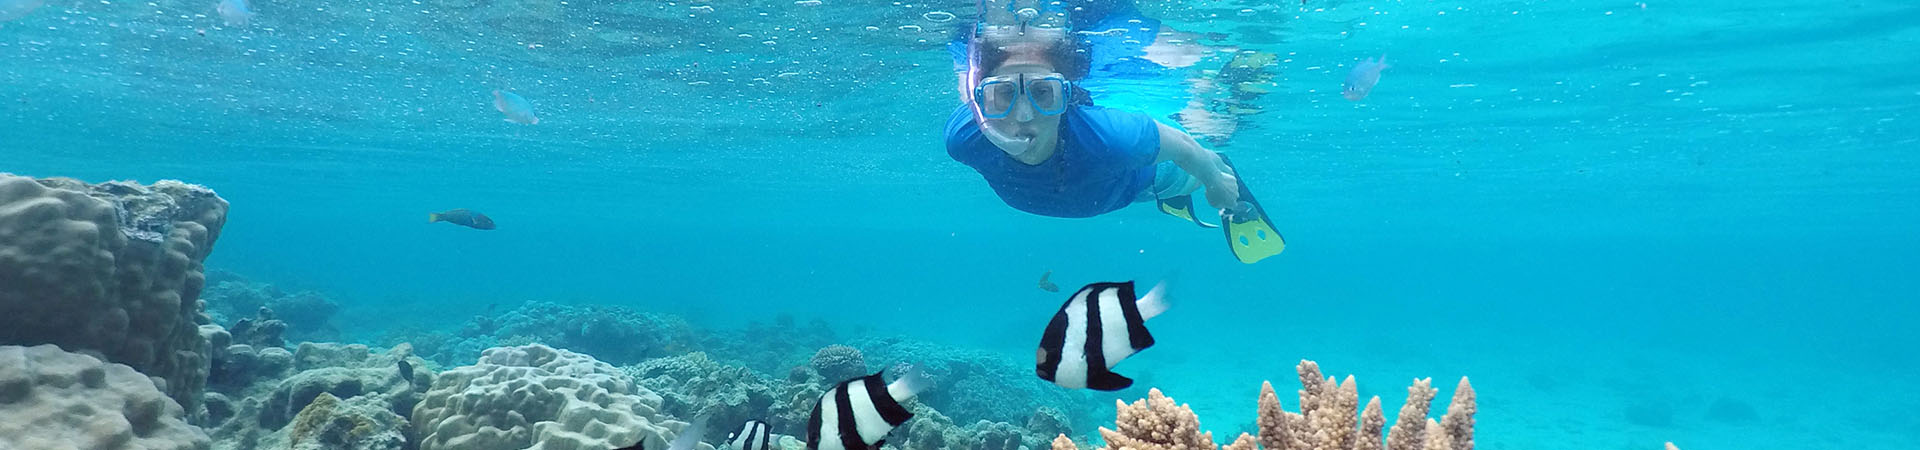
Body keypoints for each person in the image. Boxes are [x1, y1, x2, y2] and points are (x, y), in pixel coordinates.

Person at [942, 0, 1286, 264]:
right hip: (1106, 190)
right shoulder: (963, 138)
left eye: (1044, 92)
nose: (1024, 113)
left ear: (1067, 96)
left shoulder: (1111, 138)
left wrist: (1214, 178)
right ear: (981, 102)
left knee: (1203, 143)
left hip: (1139, 181)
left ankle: (1217, 126)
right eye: (1002, 94)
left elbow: (1184, 148)